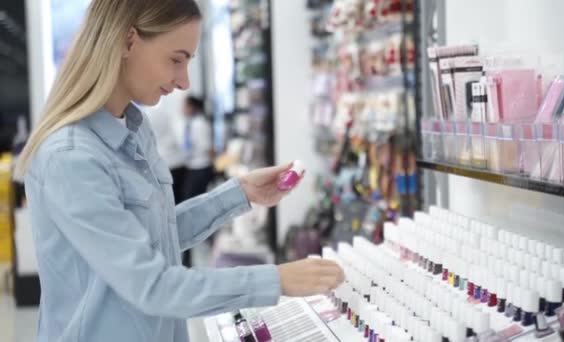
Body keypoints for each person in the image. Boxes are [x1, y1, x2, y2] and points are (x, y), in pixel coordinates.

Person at [14, 1, 345, 341]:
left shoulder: (134, 129)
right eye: (176, 59)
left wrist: (241, 193)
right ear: (128, 41)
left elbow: (157, 236)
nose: (185, 82)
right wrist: (278, 279)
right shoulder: (71, 158)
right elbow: (153, 285)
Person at [147, 105, 188, 204]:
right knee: (181, 197)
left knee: (173, 200)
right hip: (178, 161)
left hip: (167, 163)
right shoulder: (163, 114)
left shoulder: (148, 116)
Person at [179, 95, 214, 201]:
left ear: (192, 107)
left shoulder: (200, 124)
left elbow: (208, 148)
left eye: (185, 106)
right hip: (193, 166)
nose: (182, 109)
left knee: (193, 199)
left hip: (201, 167)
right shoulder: (191, 123)